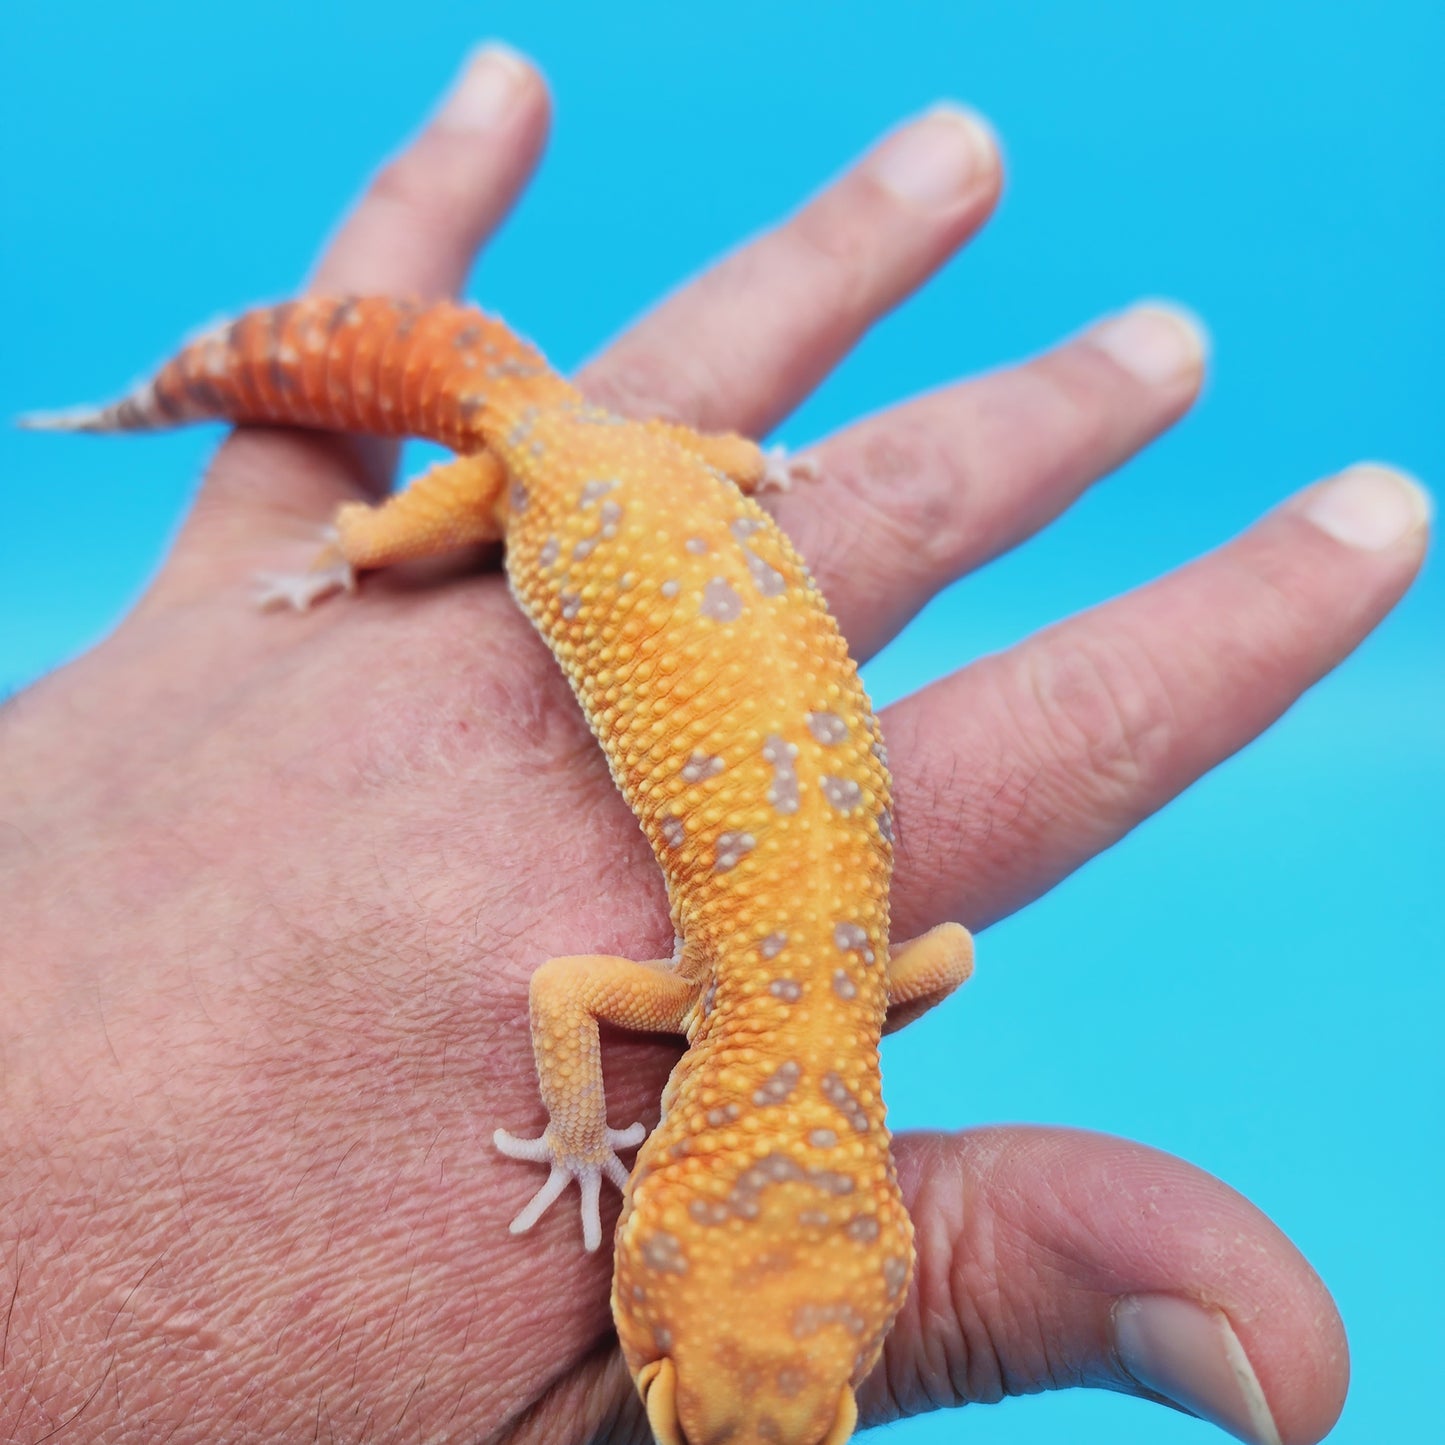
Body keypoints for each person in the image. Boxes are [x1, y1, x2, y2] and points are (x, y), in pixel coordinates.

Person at [0, 43, 1426, 1445]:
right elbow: (565, 993)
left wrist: (855, 1001)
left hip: (678, 479)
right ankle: (272, 474)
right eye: (677, 1406)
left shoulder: (875, 975)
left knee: (555, 436)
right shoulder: (693, 995)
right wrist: (576, 1136)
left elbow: (950, 960)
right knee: (462, 477)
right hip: (544, 477)